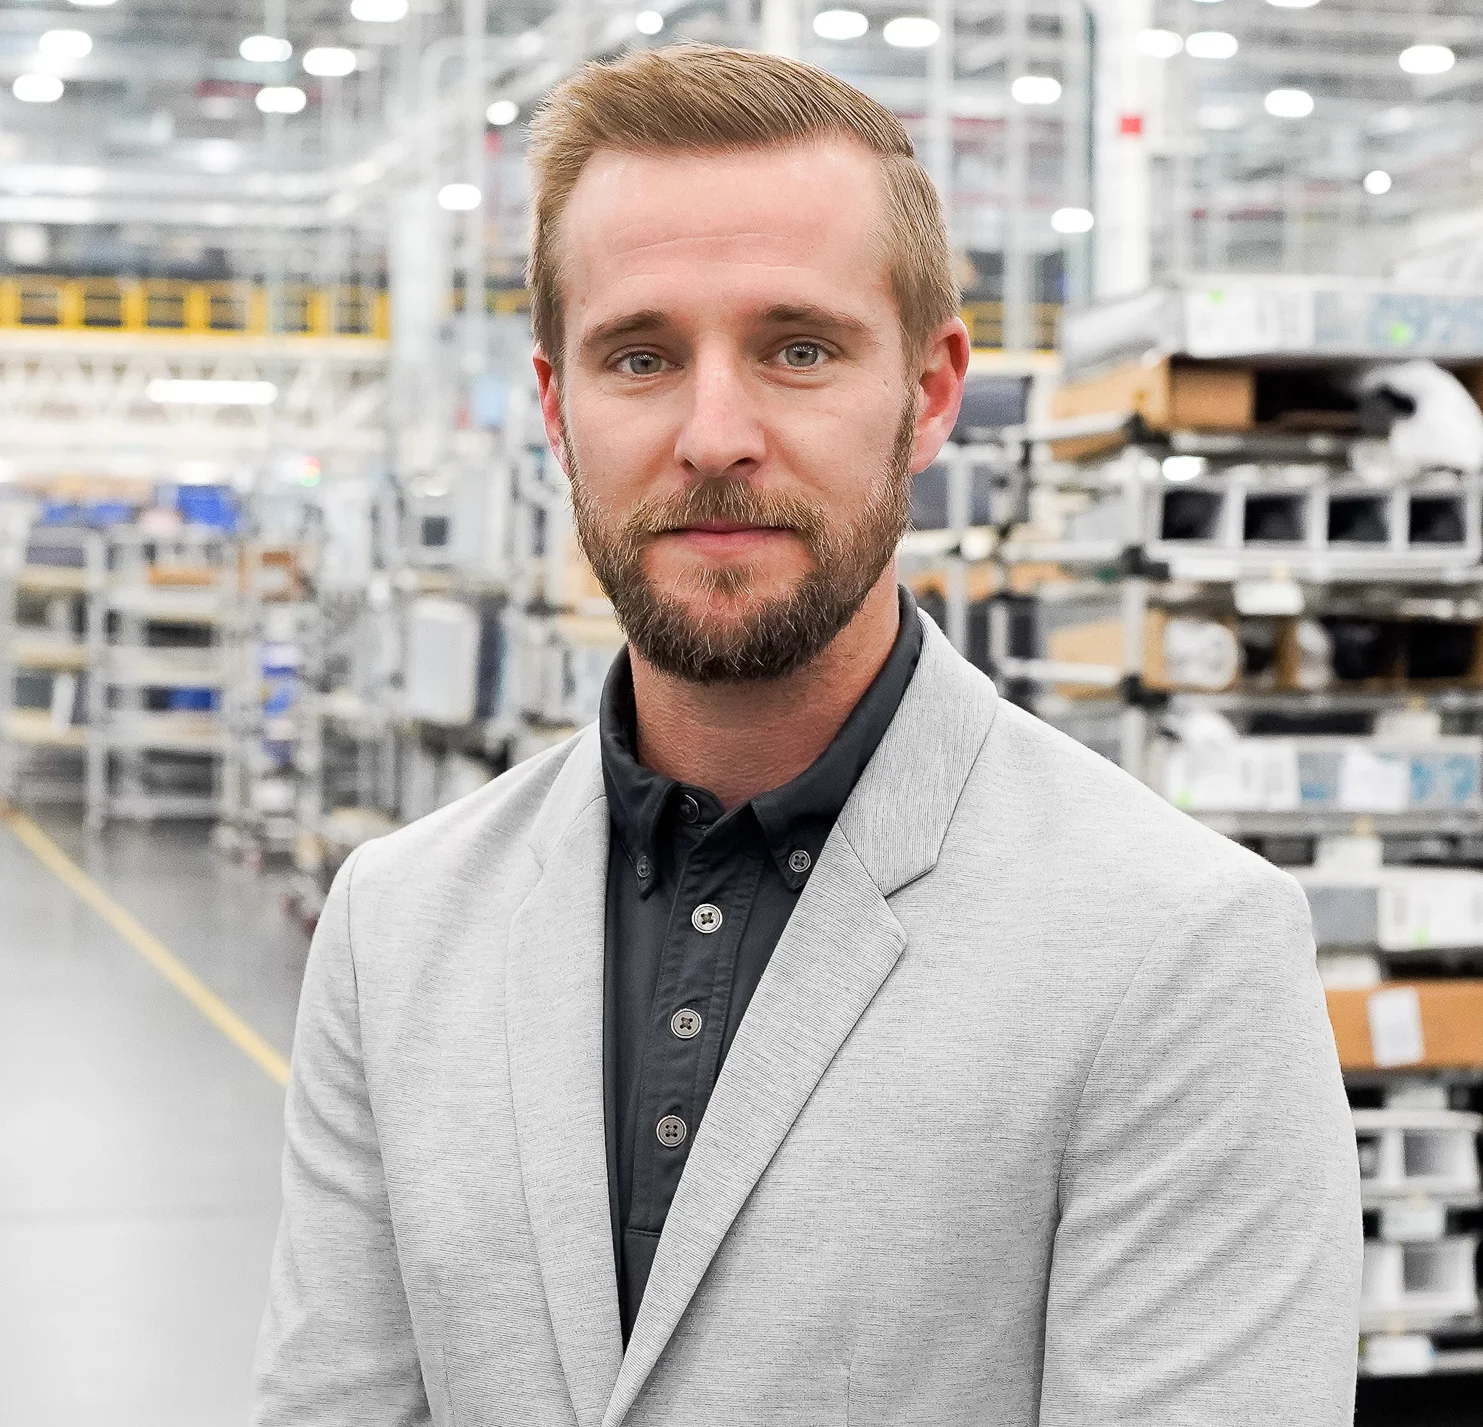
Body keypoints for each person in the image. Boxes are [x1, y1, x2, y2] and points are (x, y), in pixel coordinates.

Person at [253, 42, 1361, 1427]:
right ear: (555, 406)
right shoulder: (397, 922)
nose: (716, 433)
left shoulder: (1174, 951)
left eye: (798, 348)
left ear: (932, 393)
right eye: (641, 355)